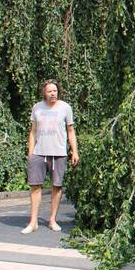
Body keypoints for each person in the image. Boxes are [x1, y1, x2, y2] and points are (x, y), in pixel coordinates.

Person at [22, 79, 79, 234]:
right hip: (39, 153)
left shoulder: (65, 107)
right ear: (44, 93)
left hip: (58, 153)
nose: (53, 93)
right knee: (35, 186)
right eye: (50, 91)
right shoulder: (37, 108)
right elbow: (33, 132)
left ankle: (52, 220)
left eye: (55, 91)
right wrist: (30, 153)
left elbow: (71, 131)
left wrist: (74, 151)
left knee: (57, 186)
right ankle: (33, 222)